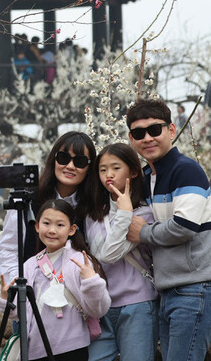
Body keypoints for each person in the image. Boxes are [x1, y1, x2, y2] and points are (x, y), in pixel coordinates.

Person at [125, 98, 211, 361]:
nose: (147, 138)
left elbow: (184, 227)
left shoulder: (186, 170)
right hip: (170, 291)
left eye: (155, 130)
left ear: (171, 130)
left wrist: (144, 233)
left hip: (195, 290)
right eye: (139, 133)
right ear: (131, 138)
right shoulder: (149, 177)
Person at [0, 199, 111, 361]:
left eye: (60, 225)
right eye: (46, 223)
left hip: (72, 348)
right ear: (37, 226)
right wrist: (6, 298)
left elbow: (97, 310)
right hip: (36, 348)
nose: (52, 230)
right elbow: (20, 314)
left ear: (72, 229)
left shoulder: (78, 261)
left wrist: (91, 282)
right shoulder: (30, 265)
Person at [85, 143, 158, 361]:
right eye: (102, 169)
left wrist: (125, 213)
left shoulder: (145, 213)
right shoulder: (93, 215)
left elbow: (112, 254)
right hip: (101, 307)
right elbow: (101, 255)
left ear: (133, 171)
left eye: (116, 168)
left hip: (138, 304)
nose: (108, 175)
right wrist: (123, 215)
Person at [0, 131, 98, 282]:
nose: (70, 166)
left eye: (80, 161)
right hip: (33, 292)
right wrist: (21, 285)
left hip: (76, 293)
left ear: (89, 167)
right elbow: (8, 249)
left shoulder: (93, 205)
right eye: (63, 158)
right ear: (53, 160)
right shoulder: (27, 201)